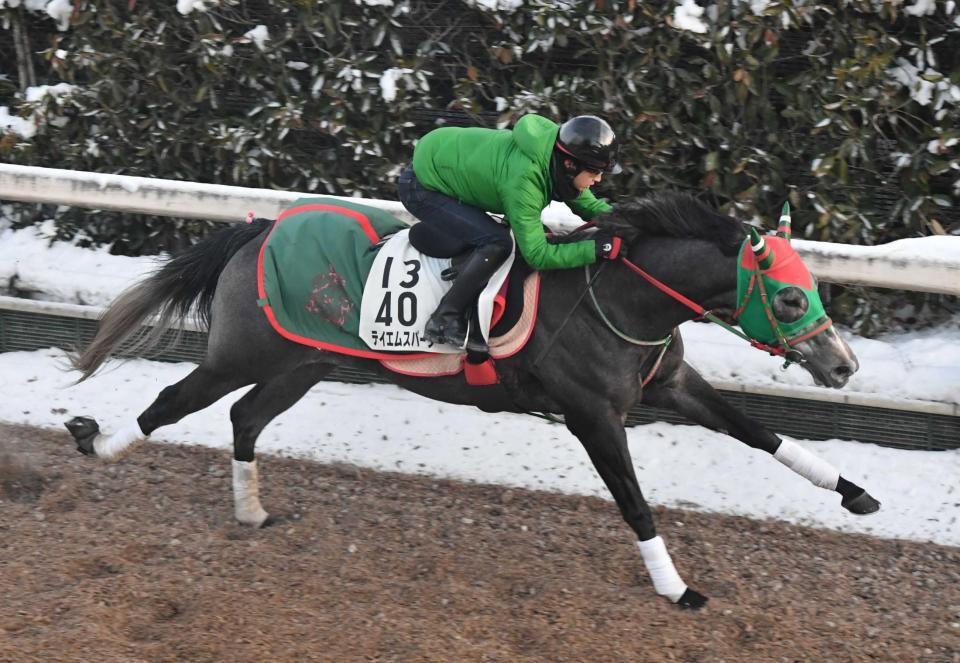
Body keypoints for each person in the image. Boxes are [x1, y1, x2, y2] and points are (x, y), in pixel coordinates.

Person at [397, 113, 623, 352]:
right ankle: (444, 319)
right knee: (498, 242)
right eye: (594, 172)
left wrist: (629, 219)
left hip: (447, 162)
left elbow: (587, 204)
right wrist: (597, 249)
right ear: (569, 164)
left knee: (500, 236)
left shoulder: (554, 154)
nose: (598, 179)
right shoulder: (525, 179)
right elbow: (538, 255)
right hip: (421, 185)